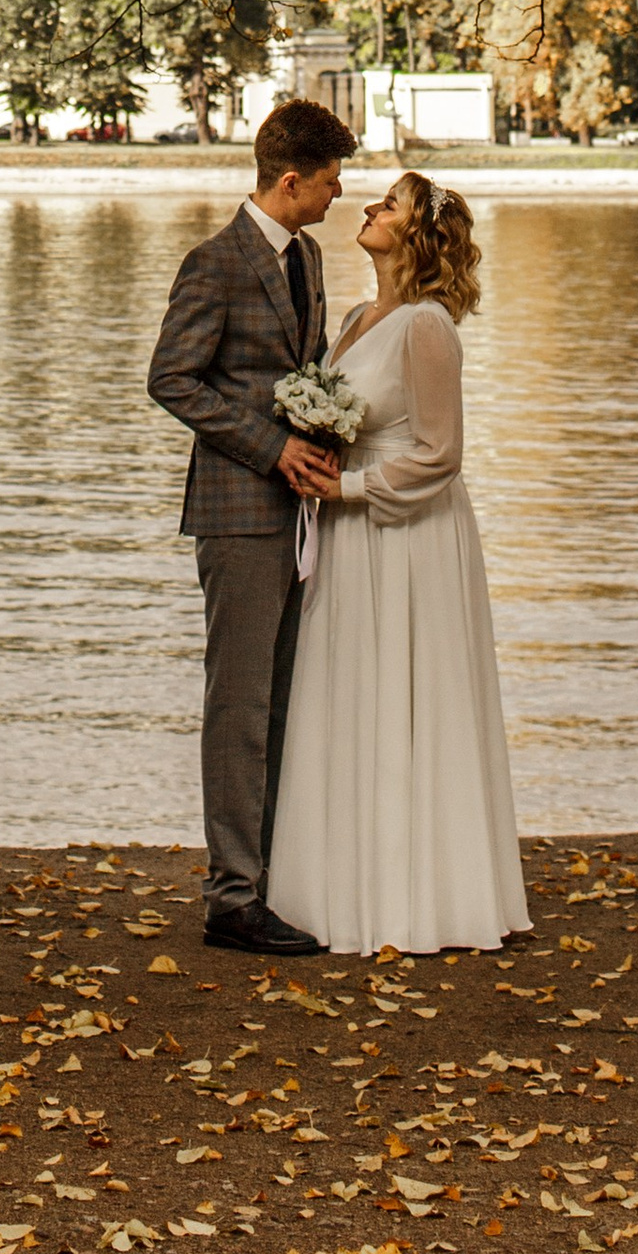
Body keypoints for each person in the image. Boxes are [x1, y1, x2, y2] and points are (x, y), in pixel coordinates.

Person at [264, 170, 529, 955]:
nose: (371, 209)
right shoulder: (353, 317)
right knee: (351, 693)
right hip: (349, 536)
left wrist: (345, 485)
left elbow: (440, 456)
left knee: (409, 697)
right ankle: (339, 887)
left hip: (407, 538)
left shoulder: (426, 327)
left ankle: (425, 895)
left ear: (416, 236)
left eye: (391, 205)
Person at [147, 96, 360, 953]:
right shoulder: (216, 262)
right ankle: (231, 897)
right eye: (333, 180)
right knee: (237, 706)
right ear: (291, 179)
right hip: (238, 514)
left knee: (280, 704)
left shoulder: (306, 255)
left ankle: (271, 877)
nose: (341, 194)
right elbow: (172, 378)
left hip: (299, 513)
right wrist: (273, 450)